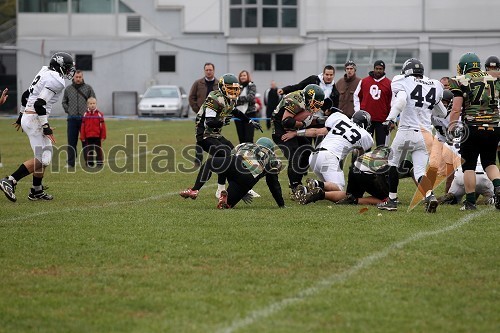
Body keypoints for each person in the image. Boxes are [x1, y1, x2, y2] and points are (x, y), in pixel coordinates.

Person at [0, 52, 75, 202]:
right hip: (35, 118)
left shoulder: (45, 71)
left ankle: (36, 190)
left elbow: (26, 95)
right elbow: (38, 104)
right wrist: (45, 125)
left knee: (46, 154)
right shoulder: (57, 80)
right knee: (43, 159)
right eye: (66, 68)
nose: (68, 71)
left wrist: (21, 116)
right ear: (60, 66)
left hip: (31, 117)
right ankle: (10, 180)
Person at [376, 58, 447, 213]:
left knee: (393, 164)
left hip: (407, 131)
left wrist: (390, 119)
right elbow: (442, 112)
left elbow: (401, 100)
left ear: (406, 71)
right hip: (425, 135)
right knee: (420, 171)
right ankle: (430, 196)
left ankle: (392, 200)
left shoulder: (403, 81)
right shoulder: (434, 84)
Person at [194, 73, 262, 199]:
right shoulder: (214, 97)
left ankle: (228, 188)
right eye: (230, 88)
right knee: (226, 155)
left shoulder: (229, 99)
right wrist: (223, 121)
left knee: (234, 154)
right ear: (222, 87)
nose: (233, 92)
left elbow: (236, 111)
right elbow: (209, 121)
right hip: (205, 135)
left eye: (235, 89)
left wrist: (250, 121)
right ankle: (224, 189)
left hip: (216, 135)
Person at [282, 110, 373, 204]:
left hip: (314, 156)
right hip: (329, 157)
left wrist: (295, 133)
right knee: (340, 188)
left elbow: (317, 132)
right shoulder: (365, 135)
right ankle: (316, 183)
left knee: (330, 189)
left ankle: (305, 191)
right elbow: (360, 155)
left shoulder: (340, 118)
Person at [448, 52, 500, 211]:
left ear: (465, 66)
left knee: (468, 165)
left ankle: (470, 202)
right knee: (490, 162)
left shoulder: (460, 81)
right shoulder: (494, 78)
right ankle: (498, 188)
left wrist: (451, 127)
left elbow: (456, 109)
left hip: (472, 127)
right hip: (494, 127)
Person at [179, 137, 285, 209]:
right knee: (227, 206)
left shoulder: (246, 144)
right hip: (248, 180)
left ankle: (195, 189)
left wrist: (228, 182)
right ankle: (226, 201)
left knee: (210, 163)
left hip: (237, 163)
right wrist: (281, 205)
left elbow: (227, 164)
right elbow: (273, 184)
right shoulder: (273, 159)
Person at [271, 84, 325, 198]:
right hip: (280, 127)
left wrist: (321, 121)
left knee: (308, 151)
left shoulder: (306, 100)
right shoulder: (296, 99)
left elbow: (308, 120)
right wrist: (303, 124)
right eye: (314, 102)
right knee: (295, 154)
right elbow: (286, 121)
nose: (315, 106)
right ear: (308, 98)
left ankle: (298, 182)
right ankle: (294, 186)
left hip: (294, 128)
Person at [354, 60, 392, 146]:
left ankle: (380, 160)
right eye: (377, 68)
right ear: (374, 69)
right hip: (366, 119)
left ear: (384, 70)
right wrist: (358, 111)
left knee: (381, 146)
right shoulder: (364, 81)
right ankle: (362, 160)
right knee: (365, 145)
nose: (378, 71)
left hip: (382, 119)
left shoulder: (389, 83)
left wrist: (391, 119)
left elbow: (392, 101)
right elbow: (356, 96)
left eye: (381, 69)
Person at [62, 70, 95, 168]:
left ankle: (89, 163)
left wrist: (89, 112)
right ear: (73, 77)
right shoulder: (68, 89)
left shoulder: (88, 88)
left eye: (80, 77)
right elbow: (64, 102)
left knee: (87, 141)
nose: (78, 79)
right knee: (71, 141)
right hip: (72, 119)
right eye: (76, 77)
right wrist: (69, 110)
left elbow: (93, 101)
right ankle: (70, 163)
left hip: (85, 120)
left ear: (82, 77)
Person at [189, 63, 218, 166]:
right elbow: (191, 97)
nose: (208, 71)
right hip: (201, 116)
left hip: (214, 116)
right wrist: (197, 110)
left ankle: (216, 160)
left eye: (210, 70)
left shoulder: (218, 84)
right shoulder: (198, 83)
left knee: (214, 137)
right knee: (200, 138)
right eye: (207, 70)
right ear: (204, 71)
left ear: (214, 70)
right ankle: (198, 160)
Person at [80, 97, 107, 167]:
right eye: (90, 103)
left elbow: (103, 126)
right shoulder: (85, 114)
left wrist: (103, 136)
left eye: (94, 103)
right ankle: (90, 163)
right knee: (90, 150)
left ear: (96, 104)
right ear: (87, 105)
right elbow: (83, 126)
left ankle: (99, 163)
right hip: (88, 136)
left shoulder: (99, 114)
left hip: (97, 135)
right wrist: (82, 136)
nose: (92, 105)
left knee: (98, 150)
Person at [234, 70, 258, 143]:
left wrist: (238, 98)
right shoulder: (237, 86)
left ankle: (250, 153)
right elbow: (233, 99)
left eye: (244, 75)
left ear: (247, 76)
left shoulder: (252, 85)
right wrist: (240, 99)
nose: (242, 77)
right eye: (241, 76)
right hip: (238, 115)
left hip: (250, 114)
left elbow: (251, 97)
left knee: (249, 138)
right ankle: (242, 154)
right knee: (241, 139)